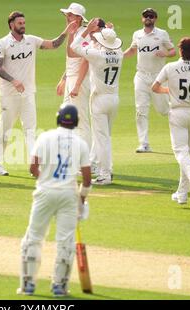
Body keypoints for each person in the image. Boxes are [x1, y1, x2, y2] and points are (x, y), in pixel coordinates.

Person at [18, 104, 92, 297]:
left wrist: (45, 178)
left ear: (58, 119)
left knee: (33, 237)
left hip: (44, 193)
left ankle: (28, 284)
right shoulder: (81, 143)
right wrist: (82, 200)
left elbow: (32, 167)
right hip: (68, 195)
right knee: (65, 242)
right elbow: (87, 179)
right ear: (75, 122)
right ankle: (59, 286)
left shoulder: (45, 137)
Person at [0, 11, 77, 176]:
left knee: (30, 130)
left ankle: (34, 167)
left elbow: (53, 44)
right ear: (11, 25)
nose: (23, 25)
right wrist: (13, 81)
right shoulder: (2, 44)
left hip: (28, 94)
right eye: (19, 23)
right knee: (5, 130)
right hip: (9, 95)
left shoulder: (31, 40)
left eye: (24, 22)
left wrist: (66, 31)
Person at [152, 37, 190, 204]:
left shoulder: (170, 67)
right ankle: (182, 194)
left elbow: (154, 88)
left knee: (180, 152)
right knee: (186, 152)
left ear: (180, 51)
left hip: (178, 113)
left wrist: (171, 91)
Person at [71, 18, 123, 185]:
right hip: (114, 98)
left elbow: (75, 47)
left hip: (99, 100)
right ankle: (99, 167)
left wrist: (86, 32)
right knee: (104, 136)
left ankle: (105, 174)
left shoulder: (97, 55)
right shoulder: (119, 54)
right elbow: (112, 44)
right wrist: (108, 33)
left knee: (102, 139)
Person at [123, 8, 176, 153]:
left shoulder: (162, 34)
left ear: (155, 19)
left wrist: (165, 53)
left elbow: (173, 51)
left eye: (151, 16)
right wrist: (118, 58)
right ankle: (144, 143)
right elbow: (132, 50)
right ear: (142, 19)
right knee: (141, 110)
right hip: (141, 76)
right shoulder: (137, 34)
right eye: (146, 16)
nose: (148, 18)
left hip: (158, 77)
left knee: (164, 110)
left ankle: (180, 125)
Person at [56, 3, 94, 171]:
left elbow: (84, 61)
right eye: (67, 15)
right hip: (72, 79)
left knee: (82, 122)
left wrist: (76, 84)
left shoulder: (83, 35)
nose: (67, 18)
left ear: (78, 18)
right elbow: (72, 61)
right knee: (67, 120)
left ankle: (86, 162)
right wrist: (64, 79)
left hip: (81, 81)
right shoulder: (77, 33)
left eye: (70, 15)